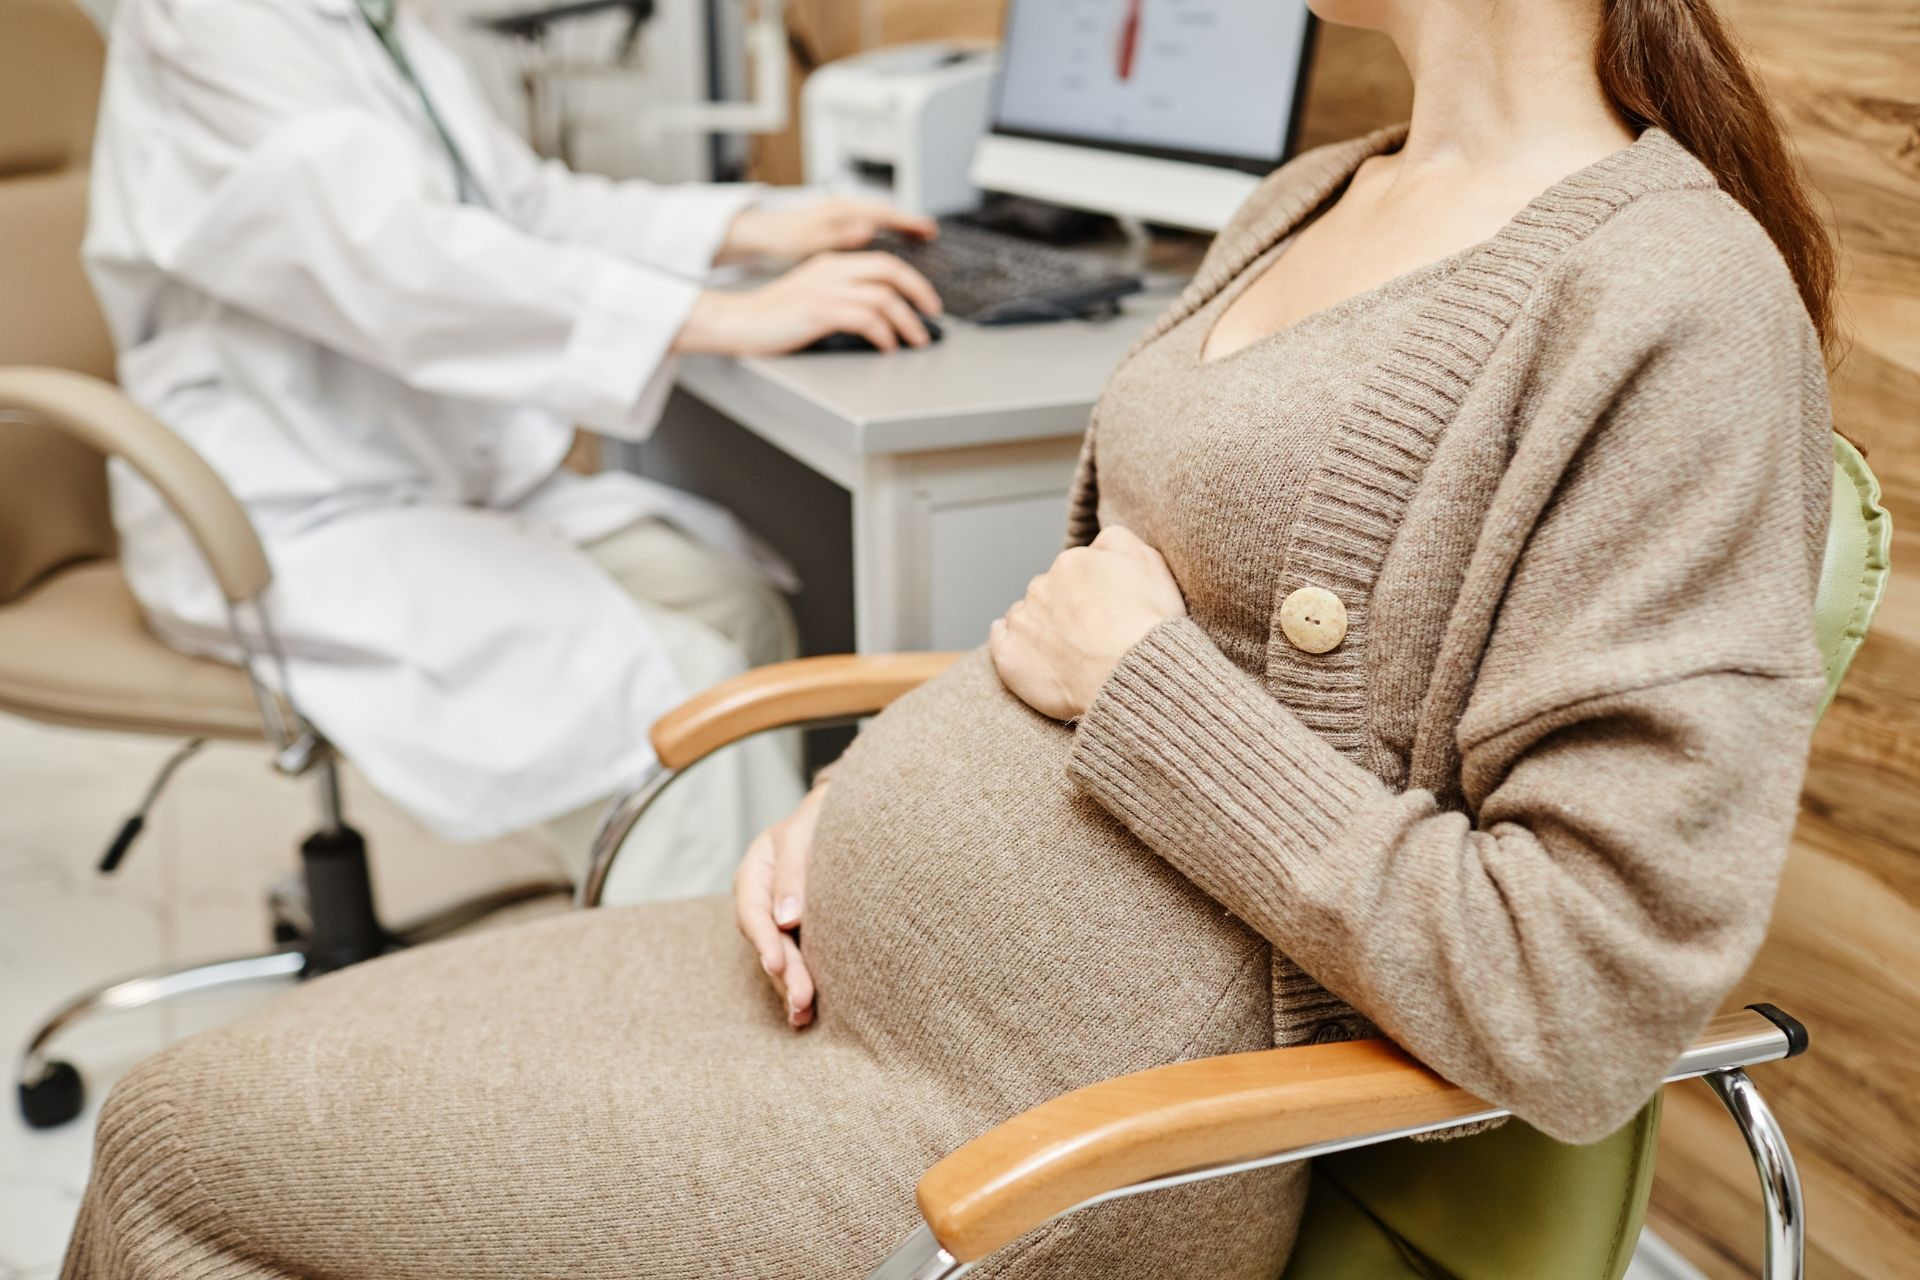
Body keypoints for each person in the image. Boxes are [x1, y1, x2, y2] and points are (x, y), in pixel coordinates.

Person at [65, 0, 1840, 1275]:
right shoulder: (1312, 198)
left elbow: (1577, 994)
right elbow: (1078, 637)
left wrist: (1133, 691)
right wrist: (857, 809)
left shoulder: (1668, 307)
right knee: (193, 1108)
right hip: (823, 986)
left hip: (1007, 1139)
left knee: (172, 1158)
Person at [84, 0, 944, 895]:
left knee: (736, 608)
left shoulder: (387, 20)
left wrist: (752, 225)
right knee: (676, 685)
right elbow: (398, 261)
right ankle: (690, 1002)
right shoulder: (208, 22)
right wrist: (722, 316)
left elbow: (519, 205)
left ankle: (770, 911)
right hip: (281, 516)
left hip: (416, 472)